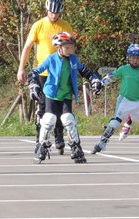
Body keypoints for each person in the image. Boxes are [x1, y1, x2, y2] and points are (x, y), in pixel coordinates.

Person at [27, 32, 102, 164]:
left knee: (68, 119)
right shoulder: (51, 59)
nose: (70, 50)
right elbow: (35, 72)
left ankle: (77, 148)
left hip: (66, 95)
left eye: (71, 47)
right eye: (67, 47)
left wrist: (95, 80)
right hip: (52, 94)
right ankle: (42, 146)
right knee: (49, 119)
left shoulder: (73, 59)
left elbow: (86, 72)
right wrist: (33, 84)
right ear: (58, 47)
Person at [17, 0, 75, 155]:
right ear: (47, 10)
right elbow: (28, 47)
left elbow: (70, 49)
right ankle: (40, 139)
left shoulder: (66, 26)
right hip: (42, 73)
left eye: (57, 13)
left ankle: (58, 135)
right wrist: (21, 68)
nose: (54, 15)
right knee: (42, 106)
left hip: (60, 73)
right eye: (51, 12)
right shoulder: (39, 25)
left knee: (59, 104)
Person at [91, 44, 139, 156]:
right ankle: (101, 143)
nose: (135, 60)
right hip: (124, 100)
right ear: (128, 57)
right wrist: (100, 84)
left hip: (138, 101)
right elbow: (111, 76)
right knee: (115, 123)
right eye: (133, 57)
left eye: (138, 58)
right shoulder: (124, 69)